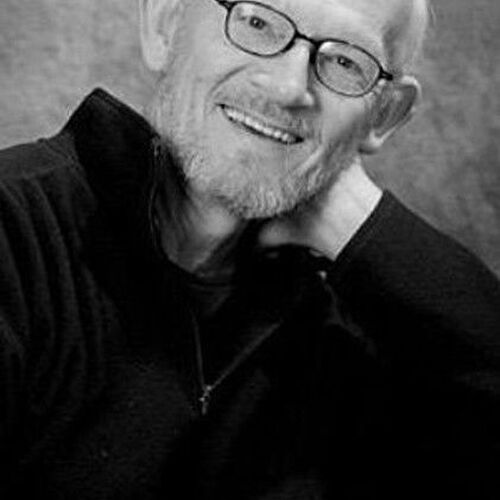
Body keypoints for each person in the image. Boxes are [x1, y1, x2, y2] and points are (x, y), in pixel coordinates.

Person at [0, 0, 499, 498]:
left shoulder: (342, 333)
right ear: (165, 23)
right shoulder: (15, 236)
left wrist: (357, 217)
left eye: (345, 62)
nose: (288, 88)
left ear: (383, 114)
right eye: (256, 22)